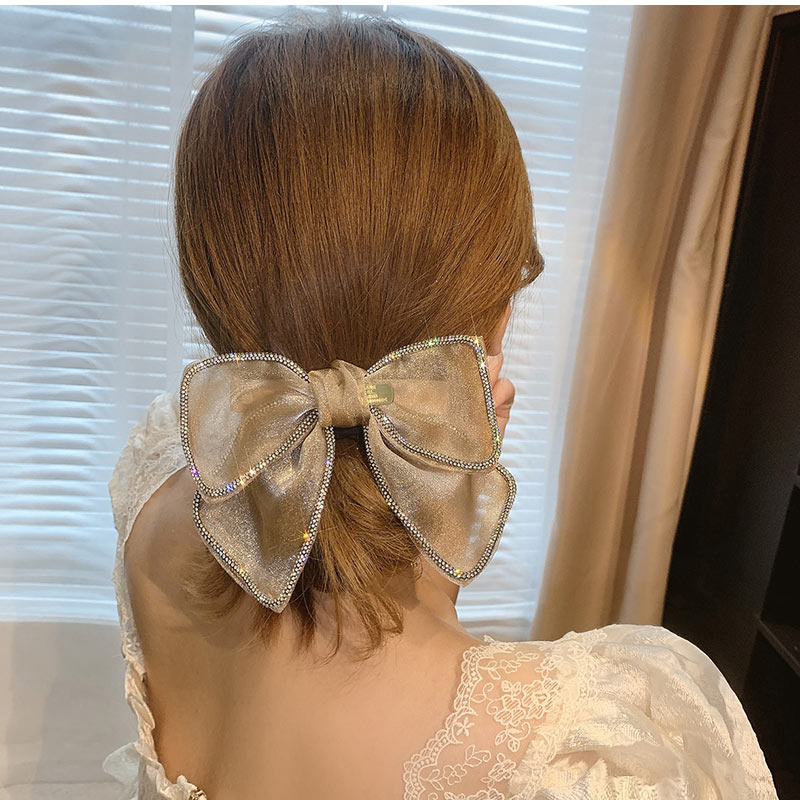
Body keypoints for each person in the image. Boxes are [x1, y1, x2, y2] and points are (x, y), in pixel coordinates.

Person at [101, 14, 779, 800]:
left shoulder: (157, 493)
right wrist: (436, 461)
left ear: (210, 275)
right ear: (492, 319)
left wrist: (416, 488)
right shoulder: (601, 752)